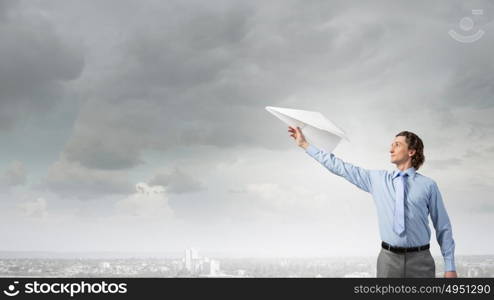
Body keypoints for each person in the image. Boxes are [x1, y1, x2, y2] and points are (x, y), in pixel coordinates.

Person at [288, 126, 457, 278]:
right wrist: (305, 144)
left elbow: (442, 226)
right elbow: (339, 166)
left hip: (421, 261)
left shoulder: (428, 186)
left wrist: (450, 266)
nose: (391, 149)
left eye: (397, 144)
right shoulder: (377, 180)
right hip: (388, 261)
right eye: (392, 144)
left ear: (411, 151)